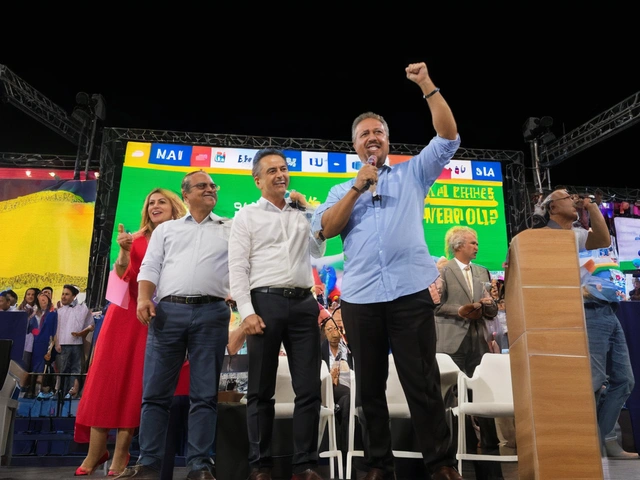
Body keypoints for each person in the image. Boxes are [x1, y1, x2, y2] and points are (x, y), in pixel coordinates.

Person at [312, 61, 462, 480]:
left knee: (423, 383)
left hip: (409, 293)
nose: (372, 138)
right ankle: (378, 464)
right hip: (360, 298)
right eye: (364, 135)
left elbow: (448, 136)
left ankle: (441, 465)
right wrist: (359, 187)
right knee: (370, 388)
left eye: (378, 132)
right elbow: (326, 228)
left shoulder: (415, 173)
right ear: (356, 146)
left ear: (388, 140)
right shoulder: (341, 189)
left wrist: (428, 85)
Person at [117, 170, 231, 480]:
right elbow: (150, 267)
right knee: (155, 393)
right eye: (202, 186)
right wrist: (143, 299)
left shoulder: (229, 228)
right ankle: (148, 464)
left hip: (212, 314)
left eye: (212, 186)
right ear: (186, 195)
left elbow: (244, 267)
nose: (210, 189)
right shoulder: (166, 230)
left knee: (205, 395)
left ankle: (200, 466)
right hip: (167, 313)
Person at [73, 188, 187, 476]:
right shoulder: (133, 238)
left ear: (175, 208)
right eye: (151, 203)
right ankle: (95, 452)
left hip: (153, 319)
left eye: (162, 202)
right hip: (123, 314)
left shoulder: (184, 238)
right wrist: (123, 251)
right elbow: (122, 273)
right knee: (105, 381)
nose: (155, 206)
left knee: (135, 387)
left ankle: (121, 456)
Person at [228, 148, 326, 480]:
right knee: (260, 390)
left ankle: (306, 465)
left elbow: (318, 247)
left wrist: (310, 211)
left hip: (302, 304)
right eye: (272, 171)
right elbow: (237, 268)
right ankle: (260, 465)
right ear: (257, 180)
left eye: (283, 169)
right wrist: (247, 312)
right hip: (264, 302)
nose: (280, 174)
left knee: (309, 388)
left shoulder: (301, 213)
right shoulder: (247, 216)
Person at [538, 188, 635, 454]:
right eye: (566, 197)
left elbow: (603, 239)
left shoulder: (577, 234)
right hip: (583, 311)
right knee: (592, 381)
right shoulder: (543, 237)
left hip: (608, 311)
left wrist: (591, 206)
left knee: (624, 380)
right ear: (552, 207)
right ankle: (583, 448)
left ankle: (601, 441)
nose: (573, 199)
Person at [434, 226, 503, 480]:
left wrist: (490, 305)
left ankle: (491, 472)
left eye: (476, 243)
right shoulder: (442, 270)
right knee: (451, 406)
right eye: (472, 243)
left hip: (479, 344)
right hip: (451, 345)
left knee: (482, 404)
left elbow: (492, 310)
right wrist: (463, 309)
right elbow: (437, 306)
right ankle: (450, 465)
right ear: (457, 246)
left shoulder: (482, 271)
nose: (477, 246)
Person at [53, 284, 95, 399]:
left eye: (67, 294)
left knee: (76, 369)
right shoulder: (59, 311)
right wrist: (57, 343)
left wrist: (82, 333)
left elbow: (91, 325)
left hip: (77, 344)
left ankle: (72, 393)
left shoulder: (83, 309)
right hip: (63, 344)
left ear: (74, 296)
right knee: (63, 370)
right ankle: (60, 392)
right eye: (63, 294)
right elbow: (56, 329)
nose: (63, 297)